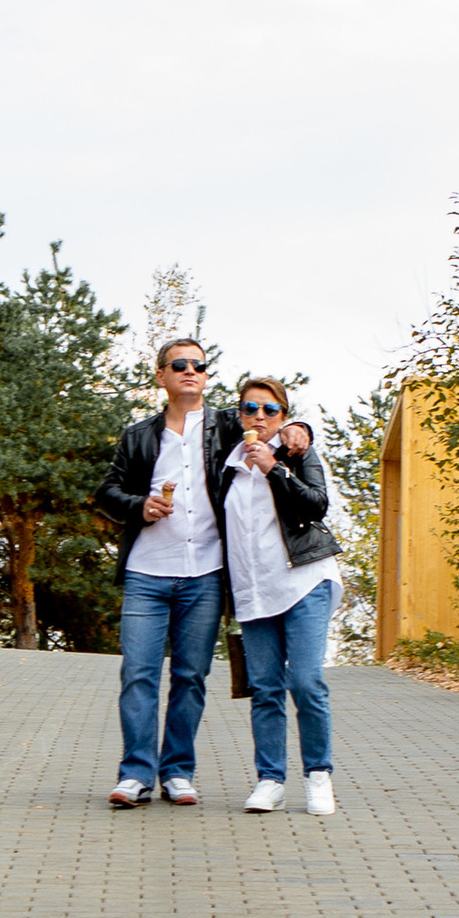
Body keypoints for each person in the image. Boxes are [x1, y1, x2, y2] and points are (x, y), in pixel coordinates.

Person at [93, 338, 234, 807]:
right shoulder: (139, 435)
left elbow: (269, 419)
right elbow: (107, 492)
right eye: (180, 364)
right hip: (147, 573)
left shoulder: (226, 427)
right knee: (139, 674)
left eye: (199, 364)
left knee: (191, 677)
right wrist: (141, 506)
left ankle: (178, 772)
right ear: (162, 376)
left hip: (206, 572)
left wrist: (301, 427)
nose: (190, 370)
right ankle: (135, 773)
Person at [222, 373, 343, 816]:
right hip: (254, 589)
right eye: (250, 409)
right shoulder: (228, 461)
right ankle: (270, 780)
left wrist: (276, 466)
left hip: (304, 580)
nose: (259, 417)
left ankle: (318, 775)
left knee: (306, 681)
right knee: (265, 688)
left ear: (284, 417)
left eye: (270, 410)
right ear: (238, 415)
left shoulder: (298, 452)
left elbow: (316, 504)